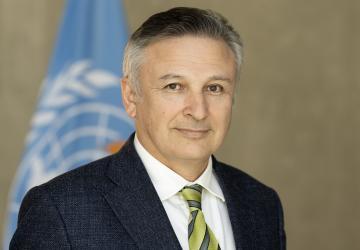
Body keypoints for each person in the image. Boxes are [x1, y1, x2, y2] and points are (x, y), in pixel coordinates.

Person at [10, 7, 286, 250]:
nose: (198, 110)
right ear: (131, 96)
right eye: (174, 86)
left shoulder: (261, 204)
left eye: (215, 88)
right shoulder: (62, 210)